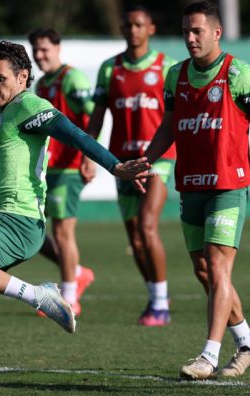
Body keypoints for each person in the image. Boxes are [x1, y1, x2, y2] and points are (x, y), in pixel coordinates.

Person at [0, 40, 152, 396]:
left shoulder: (30, 104)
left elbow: (75, 133)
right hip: (6, 216)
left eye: (0, 79)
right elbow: (15, 159)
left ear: (22, 77)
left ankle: (39, 295)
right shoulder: (8, 113)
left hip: (19, 221)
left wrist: (115, 166)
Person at [140, 1, 250, 379]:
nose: (190, 38)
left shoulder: (238, 74)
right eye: (185, 32)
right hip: (190, 185)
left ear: (216, 32)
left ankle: (208, 356)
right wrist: (146, 159)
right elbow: (169, 125)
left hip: (228, 186)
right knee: (204, 272)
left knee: (217, 265)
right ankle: (247, 343)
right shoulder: (175, 75)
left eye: (197, 31)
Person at [87, 5, 177, 326]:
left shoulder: (167, 66)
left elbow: (177, 115)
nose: (133, 29)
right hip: (122, 163)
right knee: (136, 239)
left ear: (151, 28)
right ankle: (154, 299)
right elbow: (97, 116)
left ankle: (163, 303)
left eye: (139, 24)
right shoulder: (110, 69)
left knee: (148, 225)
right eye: (128, 24)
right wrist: (89, 154)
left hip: (157, 161)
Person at [29, 28, 96, 316]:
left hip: (70, 165)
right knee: (36, 230)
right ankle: (77, 272)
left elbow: (92, 115)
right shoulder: (42, 84)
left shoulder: (73, 78)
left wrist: (89, 156)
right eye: (36, 50)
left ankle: (68, 297)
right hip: (50, 167)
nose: (40, 55)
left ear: (58, 48)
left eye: (45, 49)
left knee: (62, 231)